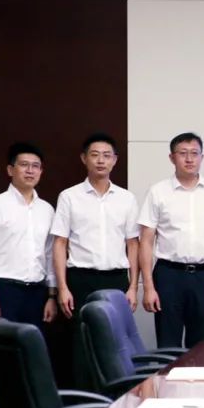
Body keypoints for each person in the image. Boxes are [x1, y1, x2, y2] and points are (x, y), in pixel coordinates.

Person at [51, 133, 139, 388]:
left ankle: (115, 399)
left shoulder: (126, 198)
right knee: (81, 344)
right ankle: (85, 401)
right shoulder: (69, 196)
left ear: (115, 160)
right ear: (84, 158)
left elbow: (133, 244)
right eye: (95, 155)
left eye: (106, 155)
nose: (101, 160)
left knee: (115, 344)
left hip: (116, 280)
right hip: (80, 280)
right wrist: (62, 287)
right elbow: (60, 243)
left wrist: (133, 287)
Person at [138, 132, 204, 348]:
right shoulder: (158, 192)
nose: (189, 159)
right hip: (168, 276)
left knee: (200, 346)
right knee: (168, 343)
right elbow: (146, 242)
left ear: (202, 157)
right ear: (172, 158)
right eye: (183, 153)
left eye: (194, 153)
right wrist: (149, 287)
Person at [0, 142, 58, 326]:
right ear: (10, 170)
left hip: (37, 293)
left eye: (35, 166)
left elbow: (50, 254)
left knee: (34, 342)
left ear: (41, 171)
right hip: (5, 291)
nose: (30, 171)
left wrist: (51, 296)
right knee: (4, 342)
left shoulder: (47, 210)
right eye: (24, 165)